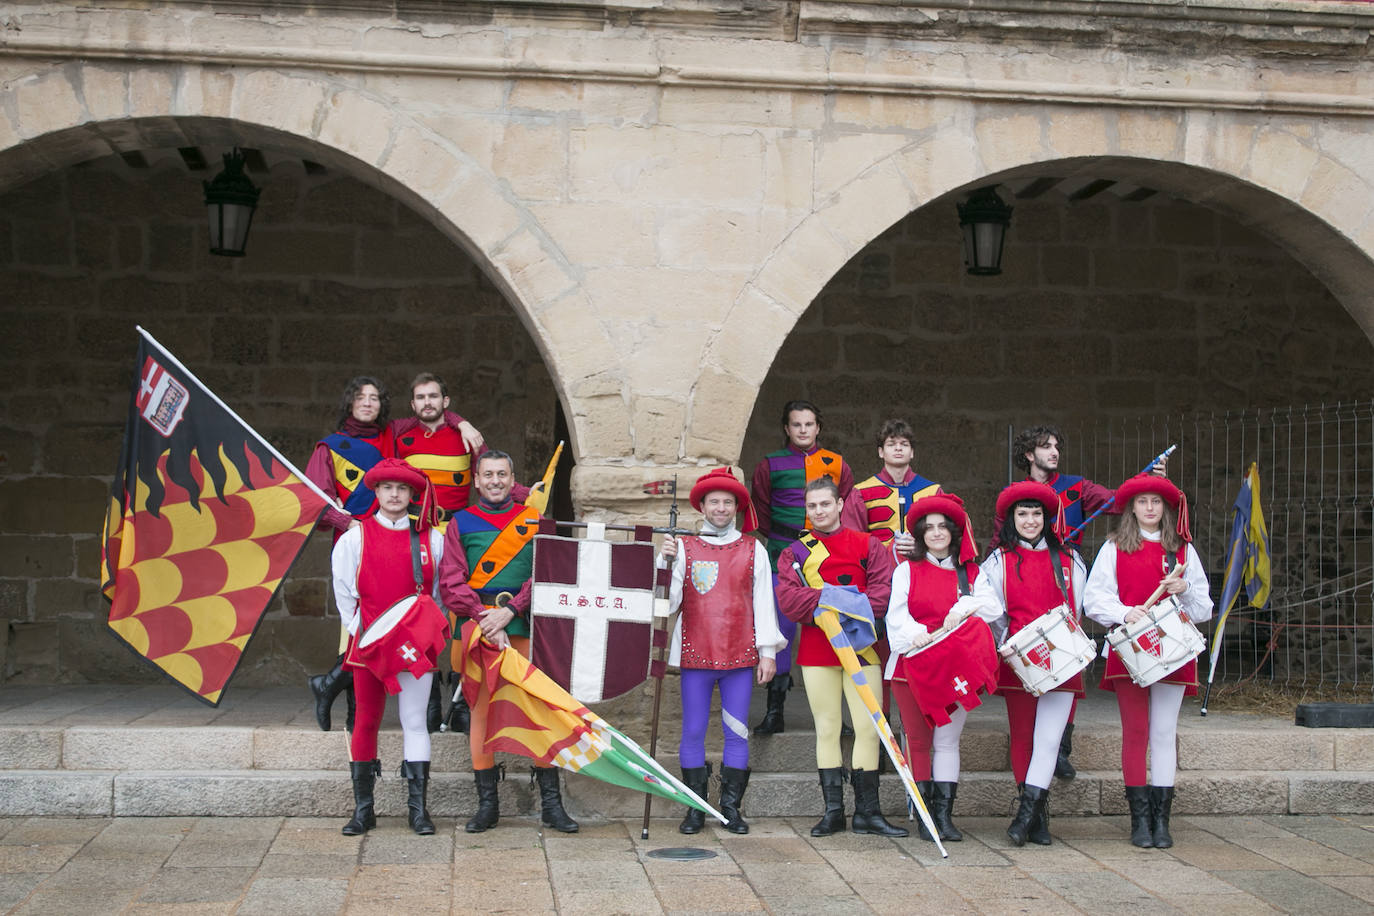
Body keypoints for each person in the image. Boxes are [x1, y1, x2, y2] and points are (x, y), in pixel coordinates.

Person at [1011, 425, 1167, 781]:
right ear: (1028, 455)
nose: (1054, 452)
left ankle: (1060, 746)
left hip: (1065, 580)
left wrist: (1148, 482)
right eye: (1045, 446)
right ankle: (1032, 741)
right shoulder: (1016, 494)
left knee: (1068, 662)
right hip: (1025, 579)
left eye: (1056, 446)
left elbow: (1118, 501)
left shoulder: (1078, 486)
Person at [438, 450, 578, 834]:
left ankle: (551, 804)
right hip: (477, 628)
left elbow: (547, 571)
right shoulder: (461, 523)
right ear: (477, 480)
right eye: (488, 475)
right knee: (481, 710)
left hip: (525, 625)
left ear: (512, 477)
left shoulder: (534, 521)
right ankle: (488, 806)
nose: (495, 481)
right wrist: (487, 618)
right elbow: (451, 580)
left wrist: (510, 611)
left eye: (502, 474)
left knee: (538, 708)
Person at [1084, 474, 1212, 849]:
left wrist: (1184, 588)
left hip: (1172, 653)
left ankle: (1161, 820)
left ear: (1166, 508)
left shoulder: (1183, 552)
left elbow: (1204, 608)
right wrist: (1126, 613)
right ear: (1132, 508)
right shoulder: (1113, 548)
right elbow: (1095, 599)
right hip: (1131, 653)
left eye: (1157, 502)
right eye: (1143, 502)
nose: (1151, 508)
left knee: (1163, 733)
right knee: (1136, 732)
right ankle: (1139, 820)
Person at [775, 478, 905, 838]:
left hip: (863, 650)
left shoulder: (869, 545)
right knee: (828, 728)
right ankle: (834, 812)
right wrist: (848, 598)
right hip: (818, 652)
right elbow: (789, 600)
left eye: (825, 504)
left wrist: (826, 599)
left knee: (869, 728)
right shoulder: (795, 553)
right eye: (812, 506)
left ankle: (868, 812)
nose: (819, 511)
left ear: (839, 505)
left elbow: (884, 593)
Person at [659, 468, 786, 835]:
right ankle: (695, 808)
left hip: (740, 655)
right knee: (694, 729)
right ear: (702, 506)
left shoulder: (753, 548)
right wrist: (664, 563)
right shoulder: (684, 546)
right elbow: (667, 605)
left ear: (736, 507)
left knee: (736, 732)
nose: (720, 507)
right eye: (714, 501)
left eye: (727, 502)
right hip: (696, 652)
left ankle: (731, 807)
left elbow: (764, 603)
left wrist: (768, 652)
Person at [331, 458, 448, 837]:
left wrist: (426, 635)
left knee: (415, 721)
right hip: (370, 646)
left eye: (402, 488)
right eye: (387, 488)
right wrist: (362, 633)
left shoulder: (432, 538)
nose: (394, 494)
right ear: (376, 492)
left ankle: (418, 810)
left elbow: (438, 596)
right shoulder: (354, 538)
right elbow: (345, 593)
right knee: (365, 720)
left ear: (412, 495)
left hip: (414, 647)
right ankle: (363, 810)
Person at [972, 481, 1087, 847]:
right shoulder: (997, 561)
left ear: (1047, 518)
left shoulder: (1070, 559)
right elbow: (994, 617)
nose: (1030, 520)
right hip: (1019, 658)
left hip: (1062, 657)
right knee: (1023, 736)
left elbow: (1078, 609)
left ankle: (1034, 814)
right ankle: (1033, 817)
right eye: (1022, 514)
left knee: (1050, 738)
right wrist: (1011, 647)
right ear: (1011, 519)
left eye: (1037, 513)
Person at [885, 493, 994, 843]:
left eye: (942, 527)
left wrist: (965, 607)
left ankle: (945, 816)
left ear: (954, 532)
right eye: (928, 528)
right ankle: (924, 816)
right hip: (912, 667)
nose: (935, 533)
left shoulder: (972, 573)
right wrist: (920, 634)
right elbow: (895, 617)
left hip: (953, 668)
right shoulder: (906, 570)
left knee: (948, 742)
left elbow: (992, 607)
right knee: (918, 741)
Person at [750, 399, 855, 736]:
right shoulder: (770, 464)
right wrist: (785, 538)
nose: (803, 430)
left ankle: (839, 716)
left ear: (818, 427)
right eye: (797, 425)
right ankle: (774, 710)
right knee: (780, 628)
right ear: (787, 428)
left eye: (809, 424)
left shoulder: (837, 464)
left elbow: (848, 508)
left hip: (827, 552)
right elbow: (761, 510)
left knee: (831, 626)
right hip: (782, 549)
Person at [391, 372, 486, 735]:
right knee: (419, 616)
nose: (427, 402)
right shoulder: (402, 434)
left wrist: (526, 496)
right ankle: (428, 697)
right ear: (413, 404)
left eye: (434, 396)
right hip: (416, 533)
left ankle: (461, 702)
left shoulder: (466, 437)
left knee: (462, 615)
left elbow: (493, 476)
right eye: (420, 397)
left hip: (456, 534)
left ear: (446, 402)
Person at [305, 377, 395, 734]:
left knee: (382, 627)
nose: (368, 403)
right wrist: (349, 521)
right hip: (354, 546)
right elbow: (316, 502)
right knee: (355, 628)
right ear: (350, 403)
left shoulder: (392, 443)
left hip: (392, 545)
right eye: (361, 397)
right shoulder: (329, 448)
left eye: (375, 397)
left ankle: (328, 685)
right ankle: (355, 717)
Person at [841, 418, 941, 556]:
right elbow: (851, 540)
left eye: (904, 444)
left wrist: (921, 545)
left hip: (923, 567)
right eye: (891, 444)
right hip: (879, 570)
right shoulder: (861, 493)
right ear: (881, 452)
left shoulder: (933, 491)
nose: (898, 448)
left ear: (912, 452)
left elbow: (945, 536)